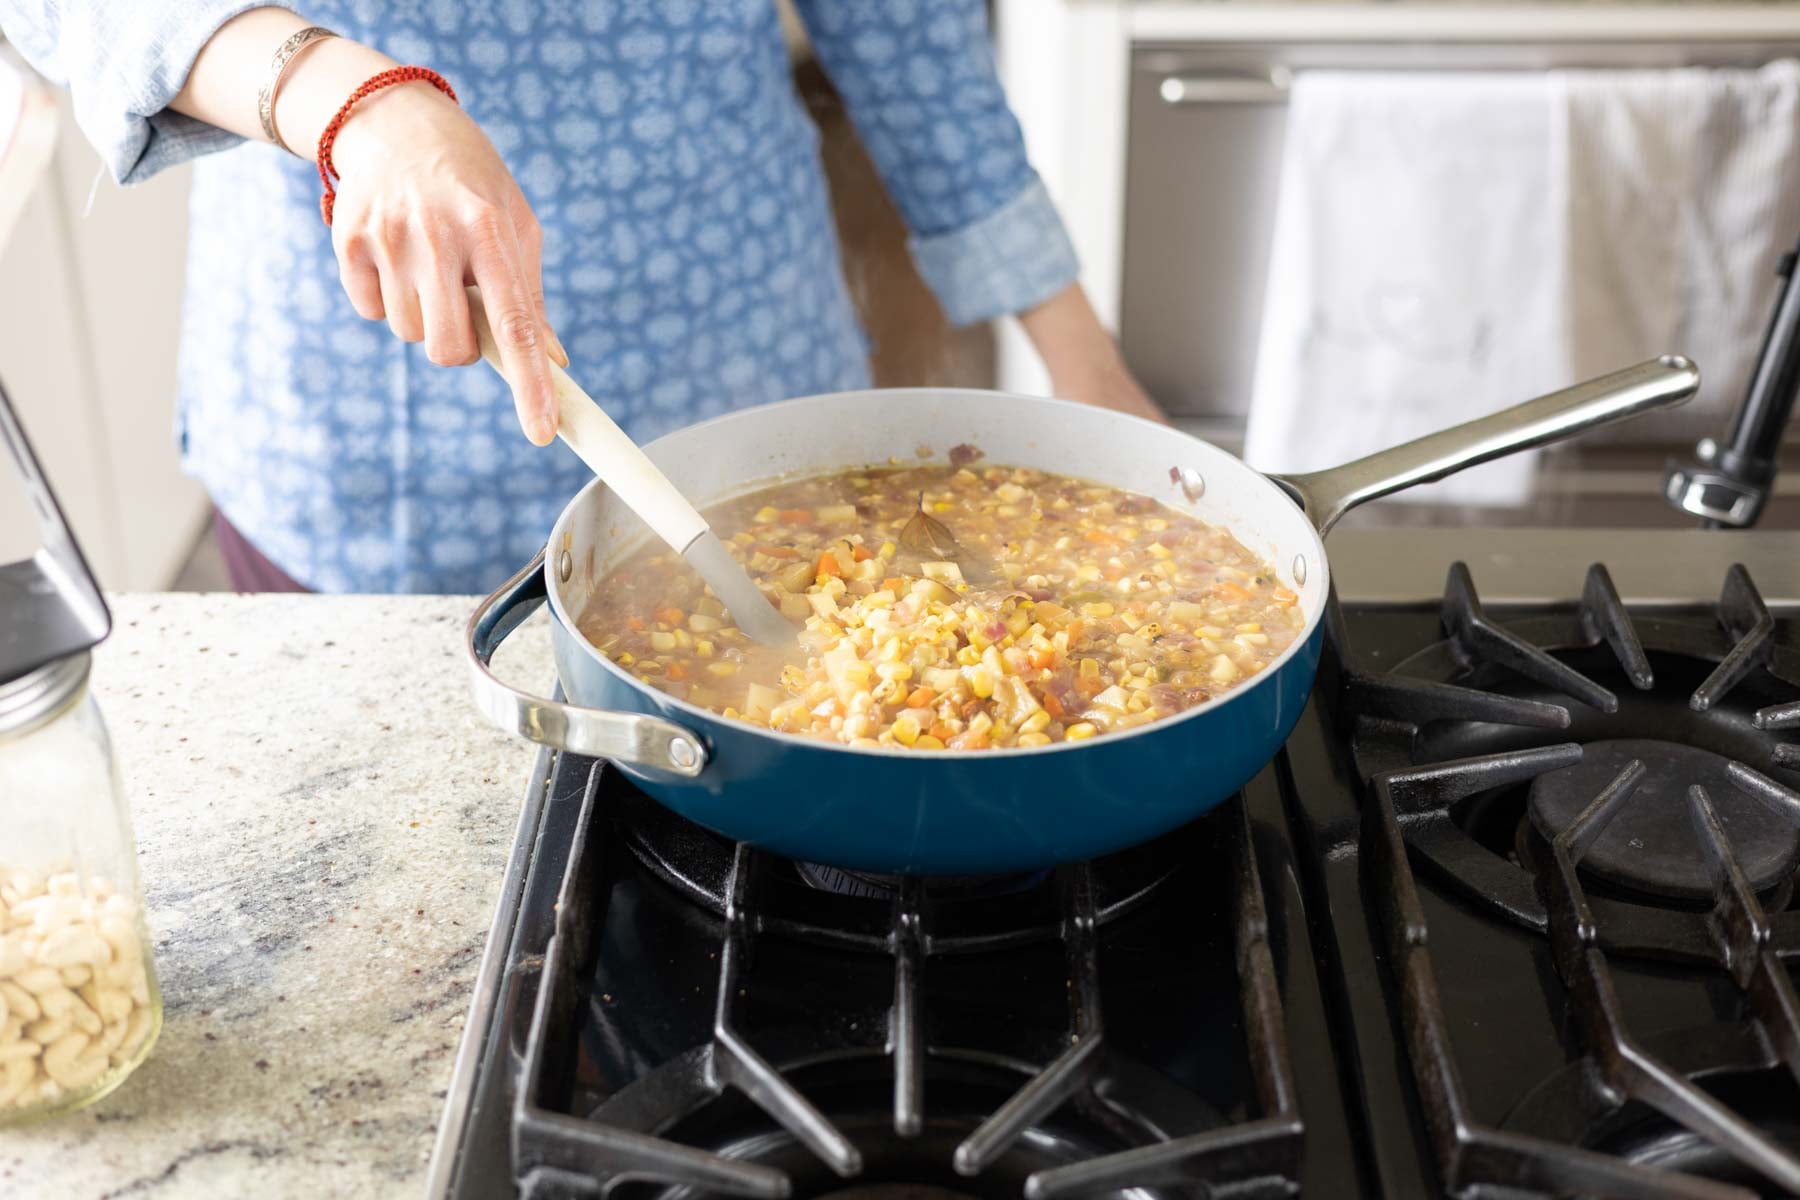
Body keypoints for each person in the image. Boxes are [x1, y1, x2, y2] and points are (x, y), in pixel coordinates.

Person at [2, 2, 1164, 593]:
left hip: (749, 380)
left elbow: (909, 30)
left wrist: (1085, 364)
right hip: (361, 424)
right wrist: (337, 90)